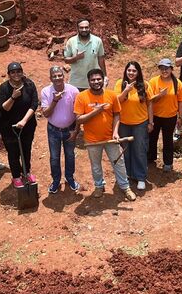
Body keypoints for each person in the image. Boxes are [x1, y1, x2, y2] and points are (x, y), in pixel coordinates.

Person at [74, 68, 136, 201]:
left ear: (103, 80)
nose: (96, 82)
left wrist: (115, 132)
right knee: (96, 165)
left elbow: (117, 115)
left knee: (119, 162)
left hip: (110, 139)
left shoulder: (111, 95)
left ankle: (125, 187)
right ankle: (99, 186)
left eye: (98, 79)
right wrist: (96, 111)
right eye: (93, 80)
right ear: (89, 81)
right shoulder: (82, 97)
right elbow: (78, 119)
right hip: (92, 140)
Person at [0, 62, 39, 189]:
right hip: (9, 127)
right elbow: (3, 108)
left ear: (22, 72)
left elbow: (34, 104)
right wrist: (13, 97)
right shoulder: (4, 88)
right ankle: (16, 175)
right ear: (9, 74)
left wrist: (24, 121)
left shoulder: (29, 85)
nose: (16, 74)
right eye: (13, 72)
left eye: (18, 71)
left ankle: (26, 172)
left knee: (26, 150)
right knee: (13, 152)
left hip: (27, 125)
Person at [40, 65, 81, 194]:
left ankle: (69, 178)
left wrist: (76, 130)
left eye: (59, 75)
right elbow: (46, 114)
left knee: (70, 155)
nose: (57, 78)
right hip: (53, 130)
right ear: (50, 78)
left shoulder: (73, 91)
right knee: (54, 157)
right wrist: (55, 100)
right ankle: (56, 180)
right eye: (54, 76)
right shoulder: (46, 92)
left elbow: (78, 113)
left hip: (70, 129)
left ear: (64, 77)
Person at [115, 61, 151, 191]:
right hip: (123, 123)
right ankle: (128, 175)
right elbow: (117, 102)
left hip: (140, 123)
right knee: (125, 150)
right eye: (129, 70)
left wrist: (151, 122)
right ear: (125, 71)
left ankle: (140, 177)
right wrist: (126, 90)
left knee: (139, 150)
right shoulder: (120, 83)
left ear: (138, 72)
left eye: (134, 71)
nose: (131, 73)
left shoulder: (145, 85)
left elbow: (149, 104)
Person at [146, 58, 182, 173]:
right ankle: (151, 157)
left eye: (166, 68)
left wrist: (180, 117)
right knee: (152, 138)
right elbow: (150, 100)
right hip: (156, 116)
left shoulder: (177, 83)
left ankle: (168, 162)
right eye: (162, 68)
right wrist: (160, 95)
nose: (164, 71)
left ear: (171, 69)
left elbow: (181, 101)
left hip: (170, 117)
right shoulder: (153, 82)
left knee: (168, 140)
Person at [63, 19, 106, 91]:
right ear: (77, 28)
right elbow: (66, 60)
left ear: (89, 28)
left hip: (93, 82)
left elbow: (101, 59)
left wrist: (105, 76)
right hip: (76, 83)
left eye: (86, 27)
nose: (84, 29)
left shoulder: (97, 41)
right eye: (81, 27)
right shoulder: (71, 41)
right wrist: (76, 58)